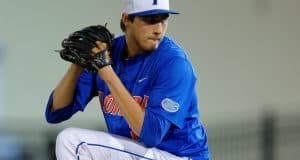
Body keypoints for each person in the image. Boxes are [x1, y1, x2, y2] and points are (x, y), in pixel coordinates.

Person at [45, 0, 210, 159]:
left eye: (163, 20)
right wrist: (78, 65)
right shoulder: (110, 53)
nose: (159, 29)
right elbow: (56, 113)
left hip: (177, 156)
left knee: (73, 142)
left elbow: (151, 136)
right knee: (68, 140)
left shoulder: (173, 63)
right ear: (126, 19)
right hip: (137, 153)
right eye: (150, 20)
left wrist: (106, 71)